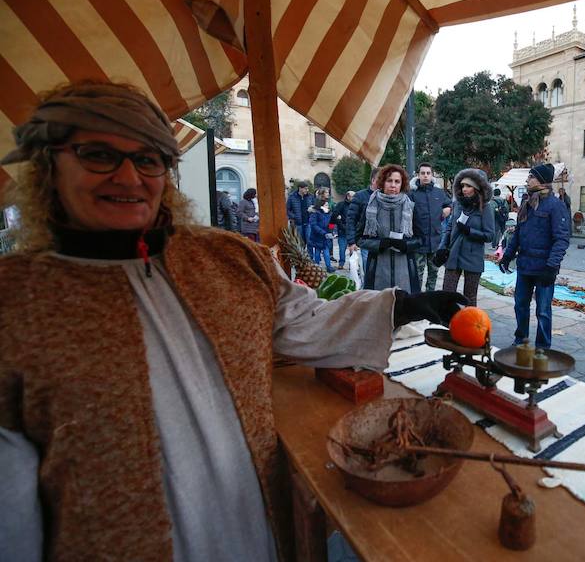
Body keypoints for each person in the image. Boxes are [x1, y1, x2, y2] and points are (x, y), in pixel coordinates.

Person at [0, 81, 467, 562]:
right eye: (98, 154)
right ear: (48, 165)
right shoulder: (17, 303)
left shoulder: (227, 259)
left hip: (258, 527)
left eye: (148, 159)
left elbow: (306, 323)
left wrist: (405, 306)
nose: (128, 176)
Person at [498, 163, 570, 349]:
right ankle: (521, 339)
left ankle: (542, 347)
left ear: (541, 181)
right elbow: (518, 234)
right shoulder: (528, 204)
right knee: (520, 305)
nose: (527, 179)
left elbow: (561, 239)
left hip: (544, 268)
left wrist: (552, 267)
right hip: (525, 266)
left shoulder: (556, 206)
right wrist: (507, 256)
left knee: (543, 310)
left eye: (531, 176)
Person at [434, 169, 494, 307]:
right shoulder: (457, 204)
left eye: (468, 186)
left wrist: (469, 231)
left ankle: (470, 326)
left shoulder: (485, 208)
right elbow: (449, 228)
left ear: (477, 188)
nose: (464, 189)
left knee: (470, 298)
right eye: (462, 186)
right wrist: (442, 247)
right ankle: (446, 323)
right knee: (447, 294)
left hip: (473, 257)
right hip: (453, 254)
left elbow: (490, 235)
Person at [359, 165, 421, 291]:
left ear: (402, 184)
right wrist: (379, 244)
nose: (393, 185)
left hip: (405, 272)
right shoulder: (370, 206)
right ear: (382, 182)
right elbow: (359, 239)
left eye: (397, 181)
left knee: (403, 308)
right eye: (389, 181)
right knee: (380, 307)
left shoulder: (411, 207)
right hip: (378, 270)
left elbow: (420, 239)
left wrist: (406, 245)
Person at [410, 163, 451, 291]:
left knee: (433, 274)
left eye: (428, 173)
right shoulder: (412, 194)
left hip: (435, 241)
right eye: (423, 173)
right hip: (418, 242)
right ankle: (416, 299)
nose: (425, 176)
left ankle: (430, 298)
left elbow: (448, 203)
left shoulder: (439, 192)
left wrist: (447, 209)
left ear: (432, 175)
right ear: (418, 175)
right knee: (417, 274)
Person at [346, 167, 379, 273]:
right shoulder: (360, 196)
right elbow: (351, 219)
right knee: (368, 270)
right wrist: (351, 242)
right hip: (365, 240)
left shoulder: (385, 196)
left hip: (381, 240)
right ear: (373, 180)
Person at [308, 188, 334, 272]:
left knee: (326, 250)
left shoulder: (328, 212)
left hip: (325, 234)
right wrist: (323, 233)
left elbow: (331, 222)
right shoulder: (316, 212)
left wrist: (331, 231)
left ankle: (328, 266)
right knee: (318, 251)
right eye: (326, 205)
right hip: (317, 235)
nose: (328, 206)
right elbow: (313, 224)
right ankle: (317, 266)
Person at [286, 180, 314, 255]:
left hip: (308, 222)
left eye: (307, 189)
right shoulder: (292, 197)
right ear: (300, 188)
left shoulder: (310, 196)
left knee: (309, 241)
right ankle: (302, 258)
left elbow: (315, 207)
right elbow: (287, 210)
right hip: (298, 223)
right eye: (305, 188)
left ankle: (311, 259)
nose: (307, 190)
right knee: (300, 242)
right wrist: (294, 216)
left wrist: (312, 209)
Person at [330, 190, 354, 269]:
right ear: (348, 196)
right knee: (342, 248)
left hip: (352, 230)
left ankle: (352, 265)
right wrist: (339, 225)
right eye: (352, 196)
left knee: (352, 249)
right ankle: (341, 263)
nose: (354, 198)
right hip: (342, 229)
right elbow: (334, 216)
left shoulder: (355, 205)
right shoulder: (341, 204)